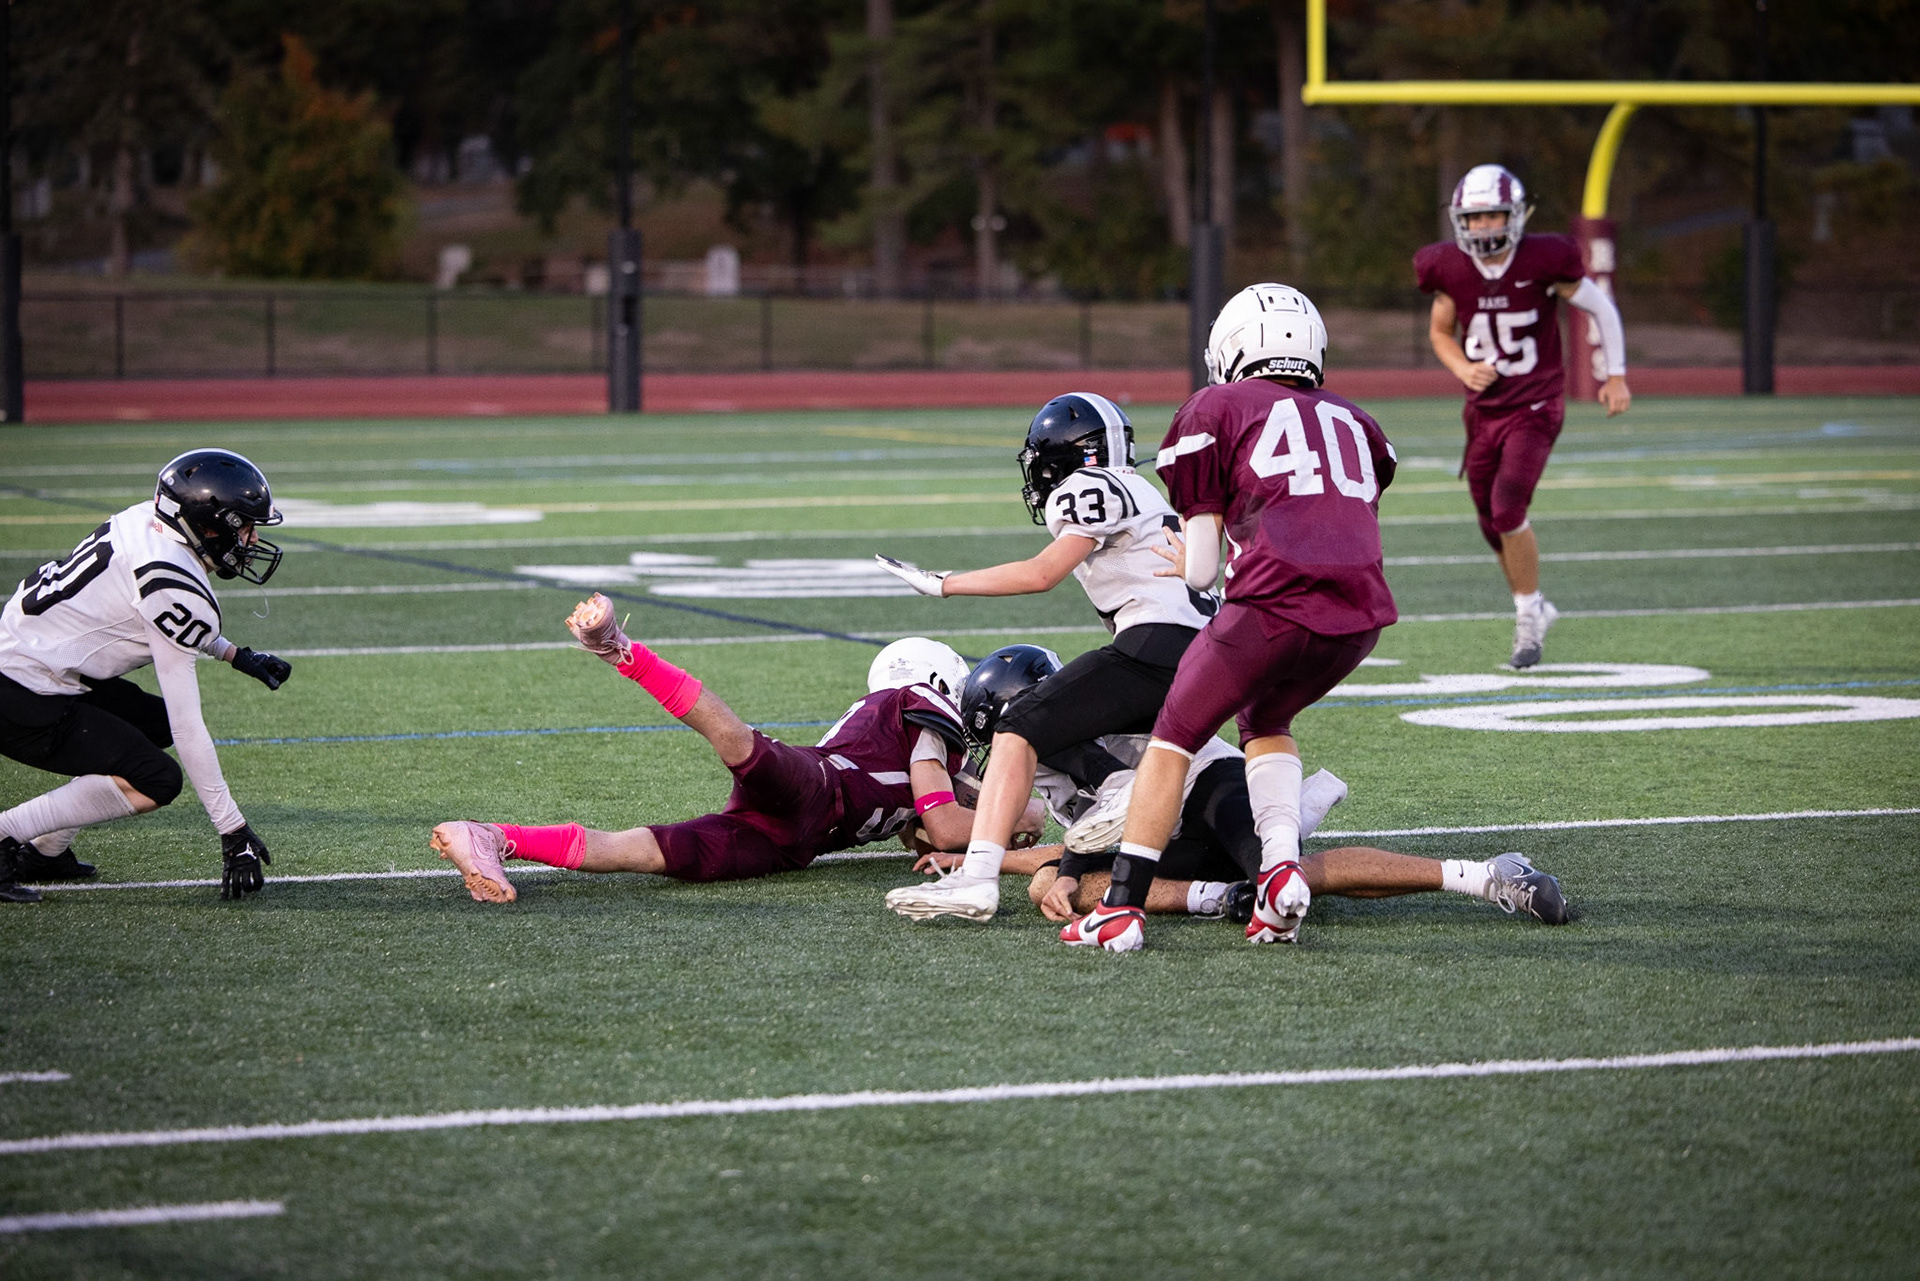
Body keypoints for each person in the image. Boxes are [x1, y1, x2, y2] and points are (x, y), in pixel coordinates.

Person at [1063, 283, 1399, 952]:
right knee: (1267, 720)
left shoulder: (1214, 405)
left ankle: (1120, 909)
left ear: (1234, 349)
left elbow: (1201, 569)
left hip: (1273, 602)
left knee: (1173, 737)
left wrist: (1187, 552)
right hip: (1359, 617)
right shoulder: (1360, 422)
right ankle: (1279, 874)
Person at [897, 644, 1568, 929]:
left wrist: (1061, 862)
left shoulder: (1073, 733)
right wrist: (1035, 866)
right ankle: (1226, 897)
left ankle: (1488, 874)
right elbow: (1093, 829)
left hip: (1209, 791)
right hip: (1171, 828)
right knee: (1057, 885)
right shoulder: (1059, 744)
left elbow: (1121, 793)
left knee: (1291, 871)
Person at [429, 596, 1036, 900]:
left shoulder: (919, 744)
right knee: (736, 742)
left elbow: (921, 827)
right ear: (938, 683)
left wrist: (973, 820)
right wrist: (1025, 824)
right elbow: (948, 828)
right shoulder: (917, 705)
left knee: (654, 852)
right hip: (819, 788)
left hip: (796, 840)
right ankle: (621, 651)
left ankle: (494, 835)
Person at [873, 392, 1218, 923]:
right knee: (1094, 730)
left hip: (1155, 647)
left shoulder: (1089, 485)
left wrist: (944, 584)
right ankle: (1138, 800)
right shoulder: (1145, 491)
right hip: (1204, 656)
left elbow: (1042, 574)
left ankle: (979, 880)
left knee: (1018, 727)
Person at [0, 449, 291, 903]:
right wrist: (232, 830)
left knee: (146, 725)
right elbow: (187, 723)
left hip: (35, 658)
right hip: (25, 691)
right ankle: (6, 835)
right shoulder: (171, 578)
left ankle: (46, 849)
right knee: (157, 780)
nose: (250, 541)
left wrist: (234, 654)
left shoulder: (149, 521)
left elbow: (140, 614)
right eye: (244, 527)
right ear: (208, 525)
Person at [1416, 163, 1633, 668]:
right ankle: (1533, 604)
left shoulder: (1545, 259)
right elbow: (1440, 333)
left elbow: (1602, 309)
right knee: (1491, 521)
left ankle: (1528, 613)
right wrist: (1462, 368)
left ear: (1514, 217)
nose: (1484, 228)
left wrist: (1616, 375)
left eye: (1493, 217)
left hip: (1536, 402)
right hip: (1483, 411)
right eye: (1475, 218)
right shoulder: (1447, 266)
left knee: (1509, 505)